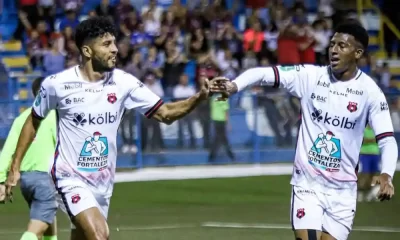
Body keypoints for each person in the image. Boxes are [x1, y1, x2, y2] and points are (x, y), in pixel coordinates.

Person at [5, 16, 210, 240]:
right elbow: (33, 120)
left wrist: (199, 97)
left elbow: (166, 113)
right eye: (106, 44)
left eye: (114, 43)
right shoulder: (57, 84)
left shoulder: (124, 83)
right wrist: (14, 167)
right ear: (87, 51)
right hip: (69, 177)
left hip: (103, 182)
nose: (114, 49)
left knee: (84, 236)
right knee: (100, 235)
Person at [210, 21, 397, 240]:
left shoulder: (371, 93)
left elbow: (387, 139)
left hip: (343, 192)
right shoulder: (310, 77)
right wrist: (235, 85)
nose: (334, 50)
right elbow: (263, 73)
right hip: (308, 185)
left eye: (342, 46)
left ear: (357, 53)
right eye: (332, 44)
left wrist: (387, 174)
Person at [0, 77, 58, 240]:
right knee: (37, 226)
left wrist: (1, 181)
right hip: (45, 178)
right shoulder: (53, 115)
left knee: (47, 218)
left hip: (27, 180)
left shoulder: (21, 119)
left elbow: (7, 151)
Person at [357, 125, 381, 202]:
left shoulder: (377, 129)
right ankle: (360, 193)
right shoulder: (363, 129)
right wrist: (373, 140)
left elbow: (380, 139)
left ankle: (371, 194)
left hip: (375, 154)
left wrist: (370, 140)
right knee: (365, 174)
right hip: (364, 154)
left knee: (374, 175)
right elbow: (362, 140)